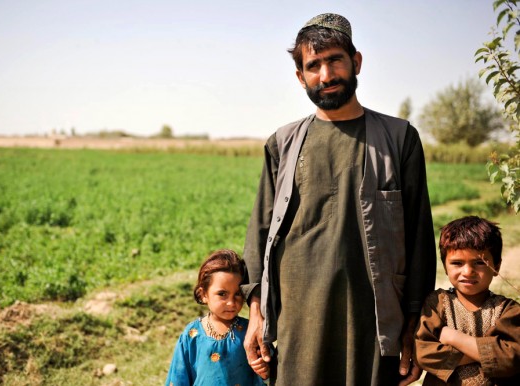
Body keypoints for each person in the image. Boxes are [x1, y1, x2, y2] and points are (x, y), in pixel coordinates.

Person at [241, 13, 437, 386]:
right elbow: (260, 232)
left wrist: (414, 323)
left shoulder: (399, 139)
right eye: (313, 65)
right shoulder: (282, 143)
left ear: (356, 61)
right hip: (298, 323)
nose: (326, 75)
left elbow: (418, 237)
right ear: (301, 77)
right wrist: (255, 312)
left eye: (335, 60)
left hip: (374, 324)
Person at [414, 216, 520, 385]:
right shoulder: (437, 304)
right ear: (445, 267)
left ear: (496, 267)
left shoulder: (508, 310)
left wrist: (455, 338)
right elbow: (423, 354)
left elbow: (512, 359)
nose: (468, 271)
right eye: (457, 263)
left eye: (479, 262)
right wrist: (489, 352)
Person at [165, 249, 268, 385]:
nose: (231, 303)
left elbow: (270, 369)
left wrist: (265, 369)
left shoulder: (250, 332)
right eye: (222, 294)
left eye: (238, 294)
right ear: (203, 294)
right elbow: (178, 377)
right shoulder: (192, 335)